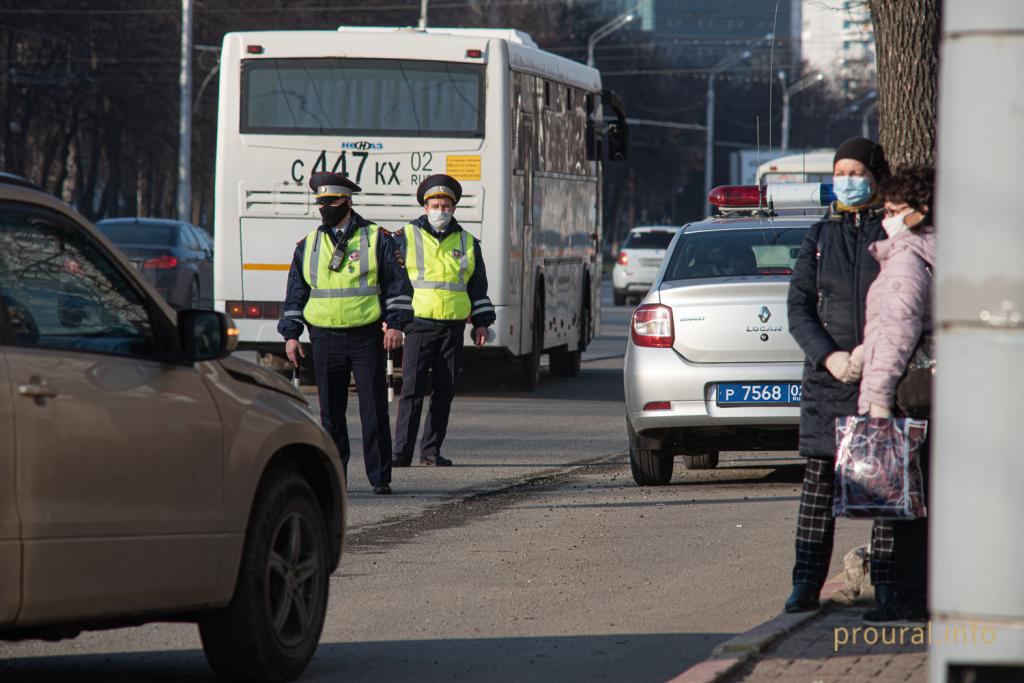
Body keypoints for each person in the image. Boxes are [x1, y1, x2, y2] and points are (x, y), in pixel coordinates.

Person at [784, 137, 896, 614]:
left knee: (886, 485)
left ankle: (890, 584)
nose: (846, 180)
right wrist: (827, 358)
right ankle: (805, 584)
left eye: (856, 172)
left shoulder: (893, 232)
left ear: (874, 178)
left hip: (882, 375)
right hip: (828, 383)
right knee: (817, 488)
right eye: (840, 172)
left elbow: (906, 302)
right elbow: (799, 308)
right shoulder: (818, 237)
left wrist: (874, 354)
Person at [278, 171, 413, 495]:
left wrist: (395, 324)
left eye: (332, 202)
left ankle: (380, 478)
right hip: (324, 338)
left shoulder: (376, 237)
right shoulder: (308, 245)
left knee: (374, 410)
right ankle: (334, 478)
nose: (325, 208)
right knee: (331, 416)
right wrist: (291, 335)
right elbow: (296, 294)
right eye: (321, 203)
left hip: (366, 336)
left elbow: (397, 286)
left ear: (347, 202)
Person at [849, 165, 937, 622]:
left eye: (894, 210)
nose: (886, 217)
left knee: (905, 504)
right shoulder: (930, 252)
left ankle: (906, 597)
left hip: (905, 396)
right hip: (928, 391)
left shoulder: (905, 259)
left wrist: (877, 401)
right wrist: (865, 351)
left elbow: (899, 334)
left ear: (919, 212)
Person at [391, 174, 496, 467]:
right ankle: (401, 452)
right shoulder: (404, 237)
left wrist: (482, 322)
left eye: (446, 205)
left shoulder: (468, 242)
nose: (441, 210)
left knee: (444, 390)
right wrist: (394, 321)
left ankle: (431, 452)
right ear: (426, 207)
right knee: (411, 390)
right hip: (418, 324)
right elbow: (394, 282)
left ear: (453, 208)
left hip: (451, 328)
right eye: (436, 204)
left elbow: (478, 286)